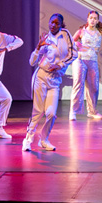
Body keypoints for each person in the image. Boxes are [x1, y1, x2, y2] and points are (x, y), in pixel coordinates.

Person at [23, 13, 77, 151]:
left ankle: (44, 140)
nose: (53, 25)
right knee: (38, 111)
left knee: (51, 113)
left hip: (55, 80)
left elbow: (74, 54)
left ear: (61, 25)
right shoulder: (46, 39)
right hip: (41, 77)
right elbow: (32, 62)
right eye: (51, 22)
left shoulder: (65, 34)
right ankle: (28, 139)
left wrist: (60, 64)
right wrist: (38, 48)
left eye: (57, 23)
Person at [69, 11, 102, 121]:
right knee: (78, 85)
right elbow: (70, 42)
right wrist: (76, 44)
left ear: (97, 21)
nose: (93, 20)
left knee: (94, 87)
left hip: (92, 61)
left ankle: (92, 111)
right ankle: (73, 111)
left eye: (95, 18)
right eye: (91, 18)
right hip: (80, 60)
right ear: (87, 19)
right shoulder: (81, 31)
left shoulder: (99, 31)